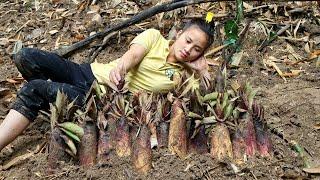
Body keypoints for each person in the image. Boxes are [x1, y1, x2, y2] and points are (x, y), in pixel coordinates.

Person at [0, 17, 215, 152]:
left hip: (98, 97)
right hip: (88, 71)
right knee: (25, 56)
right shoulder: (155, 37)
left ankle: (40, 102)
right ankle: (52, 103)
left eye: (197, 49)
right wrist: (120, 68)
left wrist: (202, 70)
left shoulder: (185, 78)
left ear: (201, 54)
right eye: (188, 40)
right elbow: (134, 54)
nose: (189, 49)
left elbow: (207, 99)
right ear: (179, 34)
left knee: (33, 88)